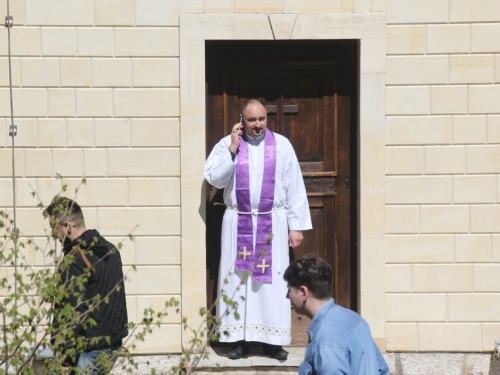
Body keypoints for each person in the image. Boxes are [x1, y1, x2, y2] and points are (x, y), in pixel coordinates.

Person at [204, 99, 312, 360]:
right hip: (238, 221)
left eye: (262, 119)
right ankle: (238, 340)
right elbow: (214, 179)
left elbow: (294, 186)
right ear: (242, 119)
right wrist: (232, 149)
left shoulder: (282, 145)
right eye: (252, 120)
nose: (258, 125)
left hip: (271, 222)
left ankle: (271, 342)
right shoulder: (227, 144)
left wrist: (295, 226)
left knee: (270, 282)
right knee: (238, 280)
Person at [45, 197, 128, 374]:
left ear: (67, 226)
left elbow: (71, 313)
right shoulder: (111, 250)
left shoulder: (75, 261)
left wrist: (65, 359)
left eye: (54, 226)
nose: (52, 233)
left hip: (87, 350)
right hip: (112, 345)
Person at [284, 255, 389, 375]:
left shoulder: (326, 339)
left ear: (303, 292)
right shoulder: (354, 319)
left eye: (289, 290)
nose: (287, 296)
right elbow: (381, 369)